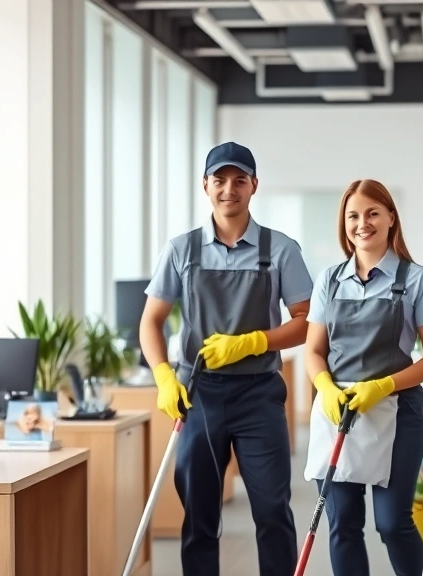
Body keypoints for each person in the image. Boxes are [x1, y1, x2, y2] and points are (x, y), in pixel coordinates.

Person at [139, 141, 314, 576]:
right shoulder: (181, 250)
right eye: (220, 180)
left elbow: (307, 322)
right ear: (206, 185)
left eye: (239, 180)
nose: (229, 189)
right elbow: (150, 322)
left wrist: (253, 342)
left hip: (260, 395)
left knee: (272, 511)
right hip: (200, 396)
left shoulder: (281, 249)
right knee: (199, 514)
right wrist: (163, 376)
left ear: (254, 185)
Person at [302, 179, 423, 576]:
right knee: (343, 523)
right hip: (338, 412)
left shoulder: (417, 280)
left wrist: (383, 385)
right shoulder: (329, 280)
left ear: (391, 218)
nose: (362, 223)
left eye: (372, 213)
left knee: (392, 522)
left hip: (397, 410)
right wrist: (326, 388)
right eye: (353, 216)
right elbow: (314, 351)